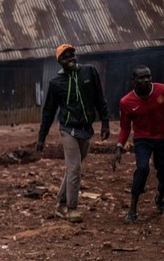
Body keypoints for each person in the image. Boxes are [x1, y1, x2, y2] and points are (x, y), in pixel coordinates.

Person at [111, 64, 164, 222]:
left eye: (148, 77)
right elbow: (125, 127)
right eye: (141, 78)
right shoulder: (126, 102)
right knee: (142, 169)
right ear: (133, 80)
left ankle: (160, 196)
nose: (146, 80)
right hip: (142, 139)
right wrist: (119, 147)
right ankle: (132, 209)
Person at [36, 44, 110, 223]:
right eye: (65, 57)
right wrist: (41, 137)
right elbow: (48, 112)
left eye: (72, 55)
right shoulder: (56, 84)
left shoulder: (89, 73)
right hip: (68, 129)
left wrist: (105, 123)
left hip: (86, 130)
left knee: (72, 169)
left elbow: (100, 98)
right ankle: (72, 208)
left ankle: (61, 205)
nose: (70, 59)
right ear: (59, 62)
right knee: (75, 168)